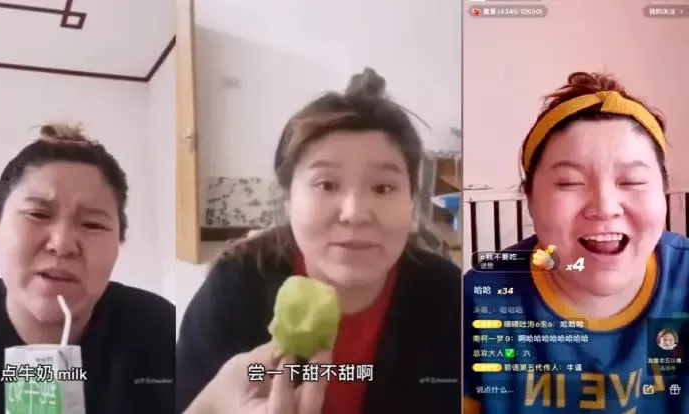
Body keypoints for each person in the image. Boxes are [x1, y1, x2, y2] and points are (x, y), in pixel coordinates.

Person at [177, 68, 462, 414]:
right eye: (326, 184)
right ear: (288, 200)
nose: (355, 213)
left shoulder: (450, 298)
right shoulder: (236, 286)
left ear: (412, 202)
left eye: (382, 187)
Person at [0, 124, 176, 413]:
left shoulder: (162, 330)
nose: (62, 244)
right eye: (37, 214)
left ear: (120, 240)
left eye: (92, 224)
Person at [463, 72, 689, 413]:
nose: (605, 207)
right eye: (569, 182)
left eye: (632, 181)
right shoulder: (480, 301)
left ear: (664, 192)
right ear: (530, 199)